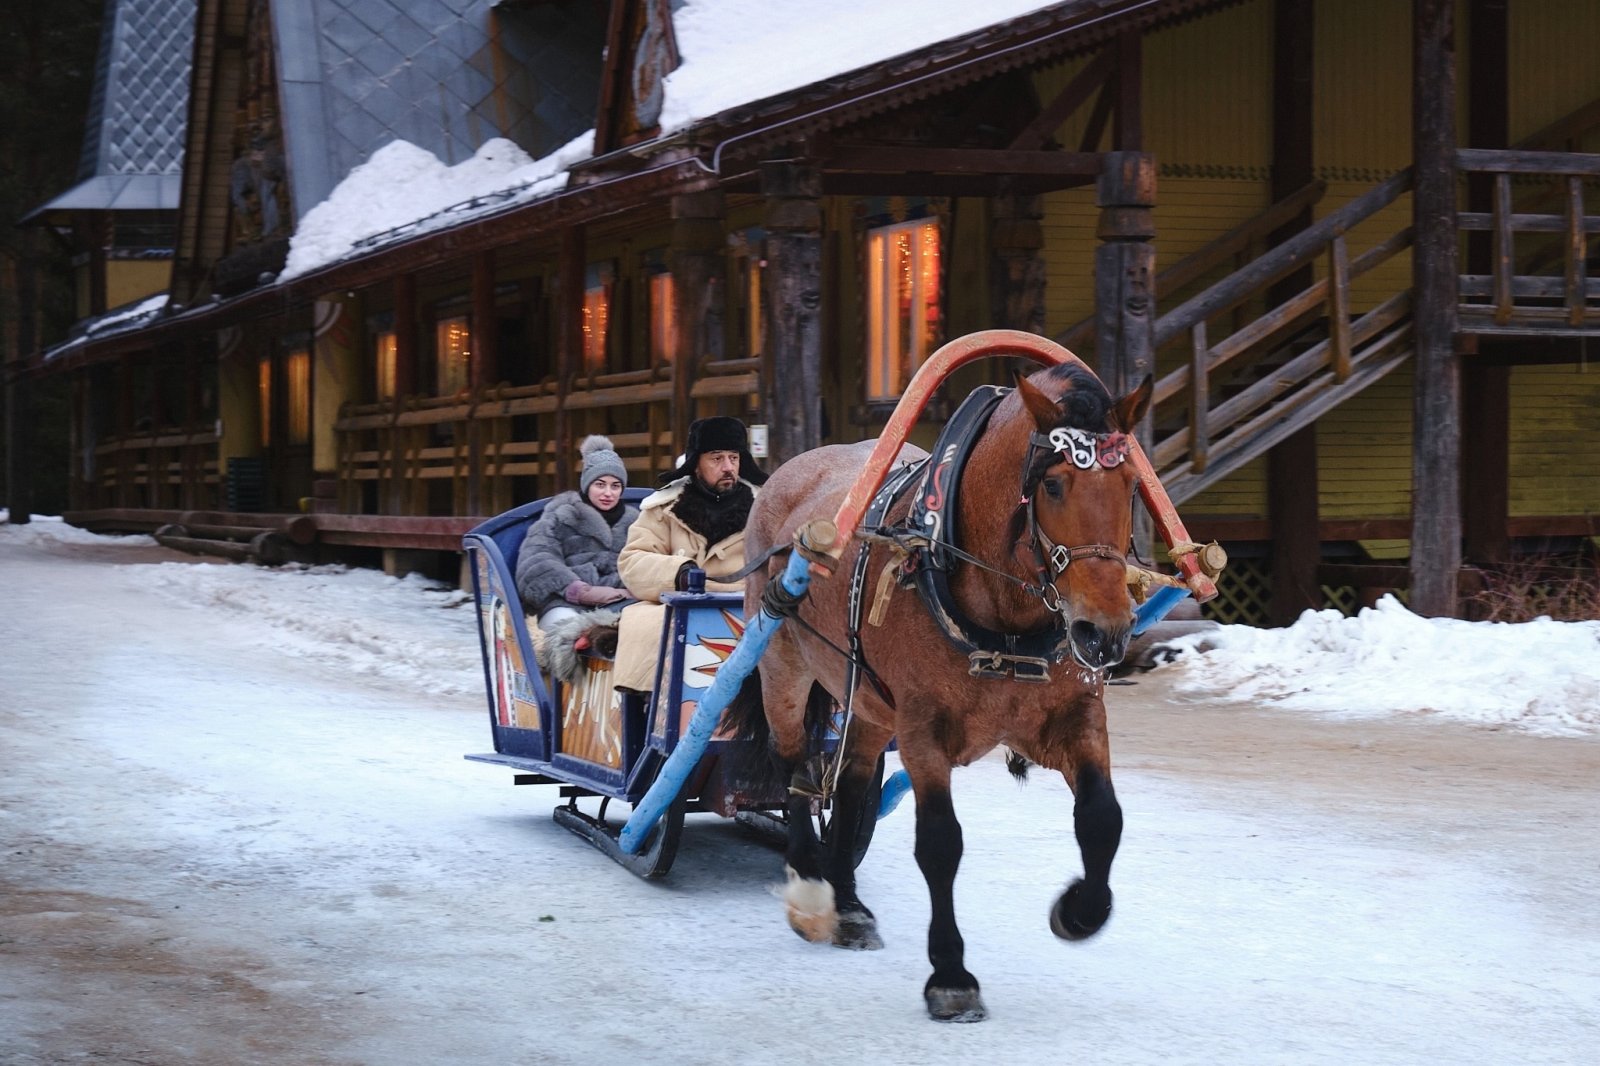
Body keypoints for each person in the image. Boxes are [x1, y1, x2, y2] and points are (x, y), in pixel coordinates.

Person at [612, 416, 767, 692]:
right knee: (644, 623)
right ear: (696, 462)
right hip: (680, 602)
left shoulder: (764, 508)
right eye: (716, 459)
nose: (728, 467)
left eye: (734, 457)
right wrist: (679, 573)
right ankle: (652, 711)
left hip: (745, 606)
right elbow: (632, 560)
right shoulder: (664, 508)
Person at [514, 435, 638, 629]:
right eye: (600, 484)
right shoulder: (561, 514)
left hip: (622, 600)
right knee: (567, 630)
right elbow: (537, 559)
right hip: (566, 602)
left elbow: (649, 560)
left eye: (615, 486)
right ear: (587, 484)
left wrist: (633, 590)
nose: (608, 493)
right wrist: (580, 590)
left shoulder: (636, 522)